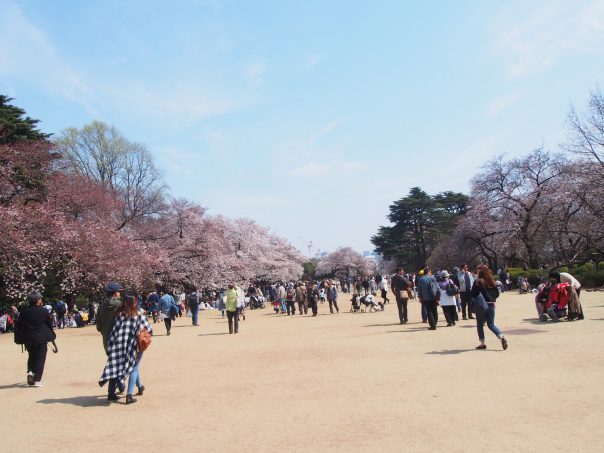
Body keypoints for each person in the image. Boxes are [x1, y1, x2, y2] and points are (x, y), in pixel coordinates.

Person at [99, 294, 153, 403]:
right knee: (134, 368)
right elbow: (149, 329)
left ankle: (140, 386)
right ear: (135, 303)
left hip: (120, 346)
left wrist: (111, 346)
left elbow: (114, 333)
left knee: (131, 367)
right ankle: (129, 395)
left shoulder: (120, 316)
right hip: (135, 346)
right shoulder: (139, 316)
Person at [16, 291, 56, 387]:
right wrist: (51, 334)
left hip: (28, 338)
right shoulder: (43, 311)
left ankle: (30, 371)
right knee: (40, 358)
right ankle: (37, 379)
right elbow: (49, 324)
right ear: (38, 300)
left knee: (32, 356)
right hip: (41, 338)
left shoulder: (24, 312)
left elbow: (20, 325)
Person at [96, 282, 126, 397]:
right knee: (118, 363)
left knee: (114, 362)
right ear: (115, 293)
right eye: (119, 291)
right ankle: (112, 391)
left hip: (106, 340)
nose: (120, 294)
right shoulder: (120, 305)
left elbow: (98, 327)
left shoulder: (100, 307)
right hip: (119, 338)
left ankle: (118, 385)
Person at [471, 264, 508, 350]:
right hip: (491, 304)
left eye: (478, 270)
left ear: (481, 271)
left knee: (480, 324)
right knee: (491, 324)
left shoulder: (478, 281)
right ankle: (501, 336)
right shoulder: (492, 281)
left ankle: (482, 343)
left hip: (481, 305)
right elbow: (497, 294)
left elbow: (473, 293)